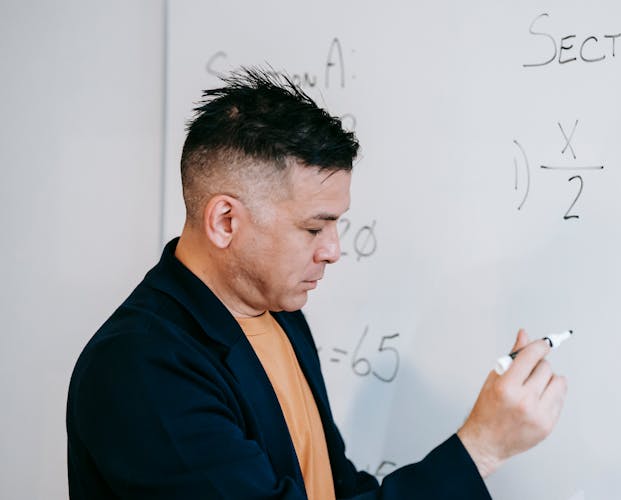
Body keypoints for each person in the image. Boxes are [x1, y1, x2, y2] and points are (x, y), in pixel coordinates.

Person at [66, 67, 567, 499]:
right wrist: (480, 447)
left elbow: (332, 486)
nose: (333, 249)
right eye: (313, 227)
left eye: (336, 225)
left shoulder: (282, 315)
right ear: (224, 221)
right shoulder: (139, 369)